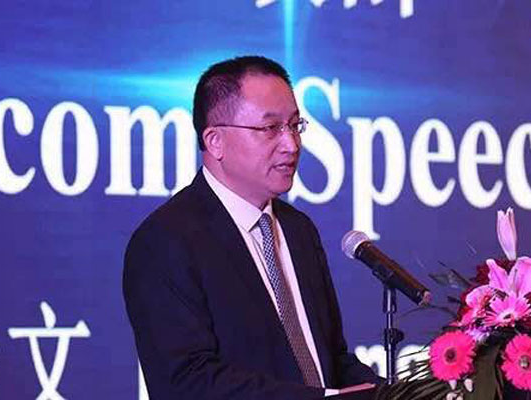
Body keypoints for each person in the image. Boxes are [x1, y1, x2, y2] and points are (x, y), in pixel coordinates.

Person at [123, 55, 378, 399]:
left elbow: (331, 360)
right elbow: (186, 382)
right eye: (270, 128)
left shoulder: (299, 230)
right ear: (215, 141)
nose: (291, 144)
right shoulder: (165, 241)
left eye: (295, 125)